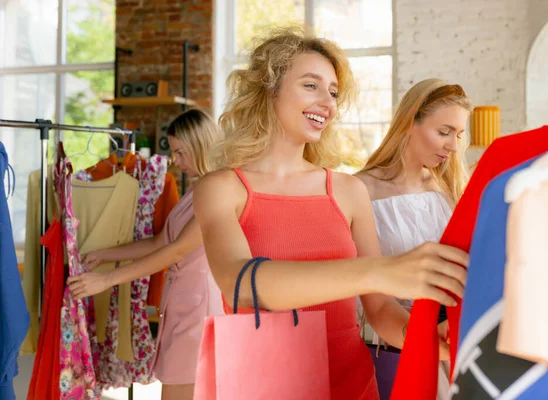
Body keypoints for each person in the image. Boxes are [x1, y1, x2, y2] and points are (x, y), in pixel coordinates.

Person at [192, 27, 469, 400]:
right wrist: (381, 271)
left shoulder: (347, 190)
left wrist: (426, 339)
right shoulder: (222, 188)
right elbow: (240, 285)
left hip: (351, 385)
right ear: (269, 90)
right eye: (311, 86)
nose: (328, 102)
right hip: (262, 385)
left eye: (334, 92)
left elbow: (381, 310)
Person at [66, 109, 223, 400]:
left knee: (182, 390)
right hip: (184, 303)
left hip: (200, 309)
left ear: (202, 145)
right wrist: (105, 253)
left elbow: (175, 250)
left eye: (181, 152)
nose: (176, 161)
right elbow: (159, 241)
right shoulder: (198, 190)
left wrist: (106, 280)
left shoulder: (217, 191)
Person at [355, 78, 473, 399]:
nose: (453, 145)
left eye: (459, 135)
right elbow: (372, 300)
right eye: (444, 131)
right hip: (394, 348)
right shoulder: (360, 191)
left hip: (453, 346)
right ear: (410, 123)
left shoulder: (449, 191)